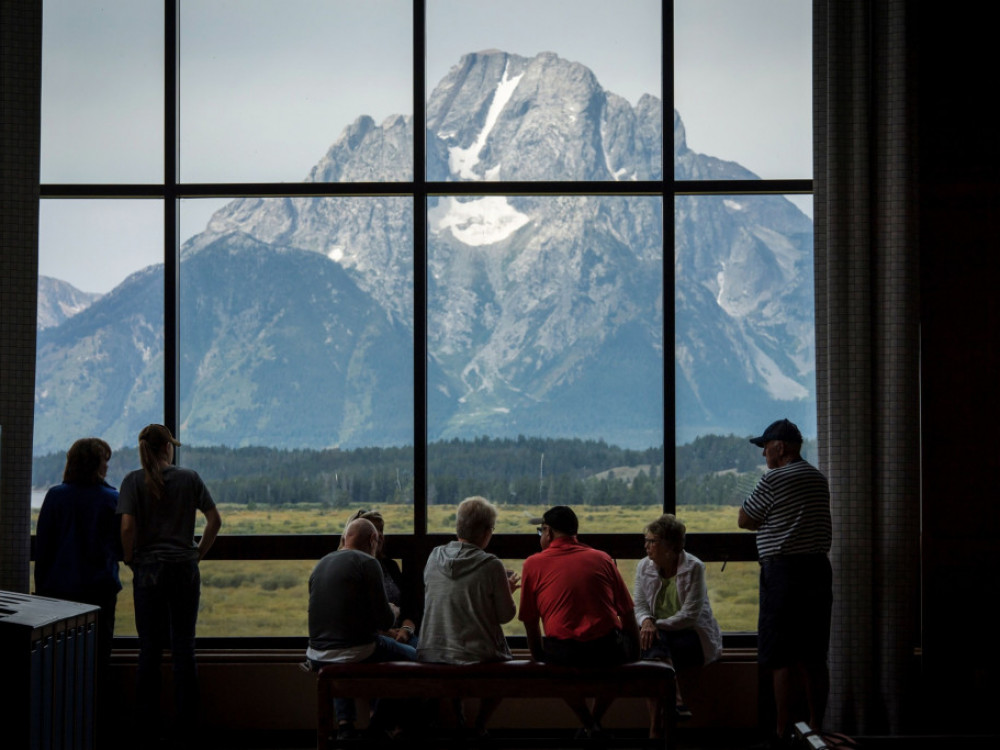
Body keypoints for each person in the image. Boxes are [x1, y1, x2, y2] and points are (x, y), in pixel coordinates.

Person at [117, 424, 222, 743]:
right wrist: (197, 554)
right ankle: (186, 726)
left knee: (148, 648)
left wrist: (131, 558)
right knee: (183, 647)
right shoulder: (189, 478)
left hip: (149, 570)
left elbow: (126, 528)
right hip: (183, 569)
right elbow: (214, 521)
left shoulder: (132, 481)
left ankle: (146, 725)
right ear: (167, 448)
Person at [738, 418, 832, 746]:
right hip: (818, 571)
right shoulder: (818, 478)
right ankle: (816, 727)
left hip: (784, 573)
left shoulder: (775, 478)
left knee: (781, 656)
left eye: (766, 447)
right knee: (814, 655)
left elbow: (745, 519)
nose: (763, 453)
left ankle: (781, 730)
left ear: (781, 447)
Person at [519, 505, 640, 737]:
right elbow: (626, 612)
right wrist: (634, 654)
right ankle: (593, 722)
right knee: (616, 666)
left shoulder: (533, 564)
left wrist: (538, 656)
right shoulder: (602, 558)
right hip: (606, 649)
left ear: (548, 531)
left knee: (558, 673)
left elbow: (530, 620)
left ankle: (588, 723)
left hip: (563, 653)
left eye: (540, 531)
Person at [34, 437, 122, 741]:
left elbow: (43, 548)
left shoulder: (56, 497)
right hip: (99, 594)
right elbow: (121, 547)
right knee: (97, 665)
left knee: (58, 667)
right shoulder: (112, 500)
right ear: (97, 465)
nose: (108, 465)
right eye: (105, 460)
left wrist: (41, 590)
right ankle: (95, 730)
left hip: (58, 594)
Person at [417, 496, 519, 735]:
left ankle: (458, 718)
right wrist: (509, 590)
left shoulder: (434, 556)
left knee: (456, 650)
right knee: (506, 673)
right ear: (485, 531)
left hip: (432, 651)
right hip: (475, 655)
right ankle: (479, 726)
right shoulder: (491, 564)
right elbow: (505, 615)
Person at [308, 517, 417, 740]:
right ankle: (377, 729)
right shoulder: (368, 563)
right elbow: (385, 621)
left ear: (345, 538)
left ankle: (347, 728)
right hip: (355, 650)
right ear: (373, 540)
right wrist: (394, 612)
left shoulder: (322, 563)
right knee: (416, 659)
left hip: (316, 653)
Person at [634, 513, 722, 736]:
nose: (646, 546)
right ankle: (676, 704)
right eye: (646, 540)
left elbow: (690, 615)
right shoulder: (643, 566)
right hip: (659, 637)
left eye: (651, 541)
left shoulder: (694, 567)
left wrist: (655, 625)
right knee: (654, 650)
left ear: (668, 545)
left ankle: (655, 729)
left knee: (652, 651)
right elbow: (640, 606)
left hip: (689, 635)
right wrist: (647, 622)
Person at [340, 509, 420, 648]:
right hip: (369, 638)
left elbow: (409, 607)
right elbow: (352, 616)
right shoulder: (349, 569)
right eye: (374, 530)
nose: (380, 535)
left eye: (381, 530)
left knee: (423, 651)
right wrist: (387, 632)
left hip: (400, 633)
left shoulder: (390, 566)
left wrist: (406, 630)